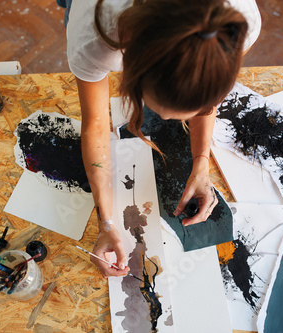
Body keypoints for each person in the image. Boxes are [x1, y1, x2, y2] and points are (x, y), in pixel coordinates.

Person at [57, 0, 261, 278]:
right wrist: (106, 221)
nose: (166, 123)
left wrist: (201, 164)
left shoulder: (237, 25)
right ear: (131, 76)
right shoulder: (93, 37)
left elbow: (208, 93)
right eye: (162, 111)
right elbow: (95, 124)